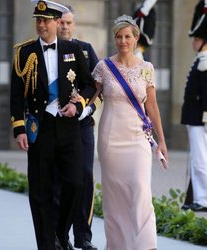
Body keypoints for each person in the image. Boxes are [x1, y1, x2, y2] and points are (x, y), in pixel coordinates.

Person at [10, 0, 96, 249]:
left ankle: (60, 231)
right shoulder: (24, 52)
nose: (41, 25)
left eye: (45, 21)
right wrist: (19, 129)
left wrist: (78, 105)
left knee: (75, 183)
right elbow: (16, 96)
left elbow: (90, 84)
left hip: (68, 127)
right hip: (40, 128)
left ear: (57, 23)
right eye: (38, 20)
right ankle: (46, 244)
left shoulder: (72, 49)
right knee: (41, 191)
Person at [92, 15, 168, 250]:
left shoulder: (146, 69)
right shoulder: (104, 67)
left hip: (137, 138)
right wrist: (76, 105)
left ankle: (146, 246)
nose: (123, 41)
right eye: (118, 36)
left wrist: (162, 141)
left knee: (140, 187)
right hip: (110, 138)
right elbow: (91, 97)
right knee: (115, 198)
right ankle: (118, 245)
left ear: (136, 38)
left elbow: (152, 106)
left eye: (127, 36)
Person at [56, 7, 101, 250]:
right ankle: (58, 235)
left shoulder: (85, 49)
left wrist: (86, 108)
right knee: (59, 181)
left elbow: (96, 86)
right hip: (56, 126)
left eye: (69, 23)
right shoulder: (46, 50)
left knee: (84, 177)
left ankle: (83, 236)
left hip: (82, 124)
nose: (65, 27)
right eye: (61, 22)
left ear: (74, 24)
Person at [181, 0, 207, 212]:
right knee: (197, 160)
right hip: (194, 117)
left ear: (205, 41)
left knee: (202, 160)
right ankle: (197, 197)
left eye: (196, 39)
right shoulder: (200, 60)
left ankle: (205, 200)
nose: (193, 42)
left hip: (200, 119)